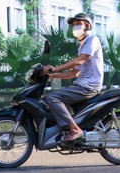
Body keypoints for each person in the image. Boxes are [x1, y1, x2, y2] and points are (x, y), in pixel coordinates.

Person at [43, 13, 104, 143]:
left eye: (78, 24)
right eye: (73, 25)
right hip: (82, 85)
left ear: (87, 25)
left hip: (88, 86)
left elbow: (79, 61)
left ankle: (74, 130)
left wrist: (56, 68)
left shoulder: (92, 40)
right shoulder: (82, 46)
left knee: (52, 98)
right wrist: (52, 76)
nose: (75, 27)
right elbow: (75, 72)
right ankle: (66, 129)